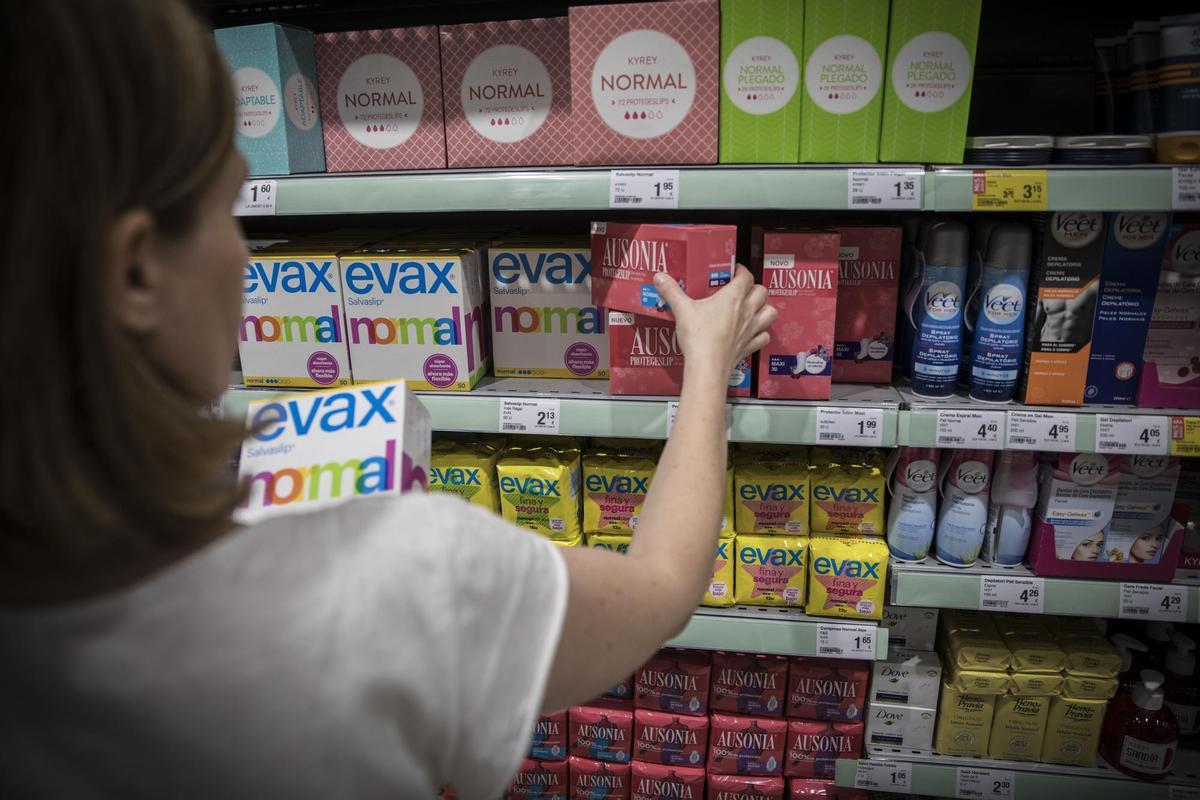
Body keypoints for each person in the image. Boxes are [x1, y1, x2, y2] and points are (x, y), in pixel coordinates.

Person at [0, 1, 776, 798]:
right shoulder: (390, 577)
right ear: (136, 273)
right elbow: (663, 587)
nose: (246, 258)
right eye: (228, 208)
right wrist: (708, 362)